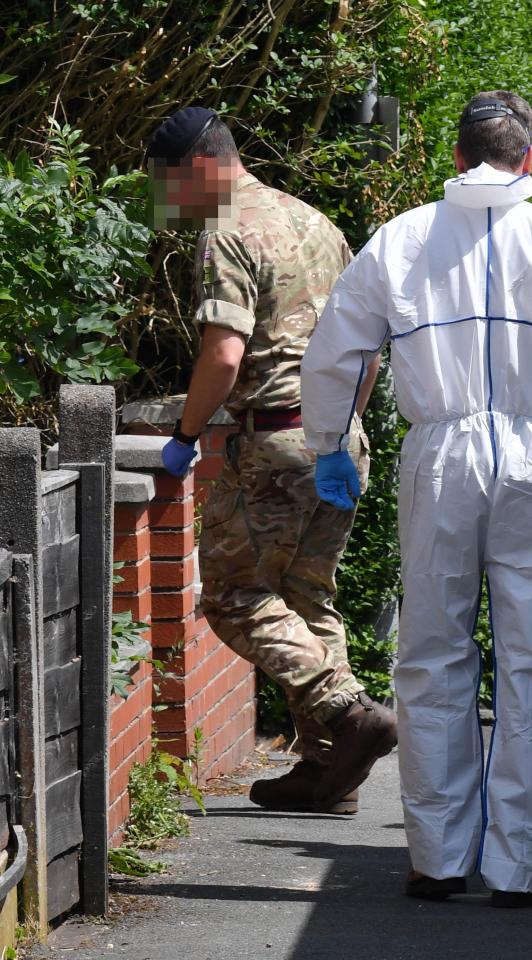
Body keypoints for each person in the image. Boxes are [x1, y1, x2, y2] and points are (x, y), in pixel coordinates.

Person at [301, 91, 532, 906]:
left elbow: (337, 347)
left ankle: (439, 857)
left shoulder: (404, 238)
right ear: (528, 159)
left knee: (431, 653)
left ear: (454, 157)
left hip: (441, 453)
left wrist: (327, 444)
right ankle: (517, 867)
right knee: (531, 657)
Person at [148, 107, 396, 816]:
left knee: (233, 596)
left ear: (199, 166)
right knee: (307, 594)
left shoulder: (227, 230)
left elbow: (224, 354)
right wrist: (342, 426)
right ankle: (328, 772)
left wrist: (189, 433)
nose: (171, 202)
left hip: (273, 443)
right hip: (337, 441)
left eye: (169, 183)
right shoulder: (314, 222)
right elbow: (366, 344)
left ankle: (345, 712)